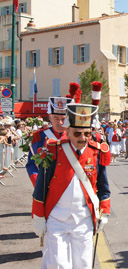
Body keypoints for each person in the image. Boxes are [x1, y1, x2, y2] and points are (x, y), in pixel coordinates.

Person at [31, 100, 111, 268]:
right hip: (56, 218)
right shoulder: (53, 150)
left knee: (83, 263)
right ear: (67, 131)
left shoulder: (97, 152)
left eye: (87, 134)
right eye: (77, 134)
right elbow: (41, 186)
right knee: (58, 264)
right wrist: (38, 216)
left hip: (84, 219)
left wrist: (105, 212)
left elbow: (103, 186)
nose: (83, 138)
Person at [26, 83, 78, 186]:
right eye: (56, 118)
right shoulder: (39, 136)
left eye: (63, 119)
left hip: (71, 185)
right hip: (47, 185)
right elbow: (32, 165)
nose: (60, 122)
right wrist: (38, 185)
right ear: (49, 117)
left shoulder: (77, 136)